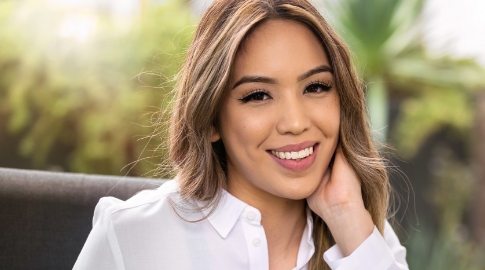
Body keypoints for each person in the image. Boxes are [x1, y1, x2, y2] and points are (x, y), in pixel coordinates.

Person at [73, 0, 408, 269]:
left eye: (315, 87)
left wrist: (346, 215)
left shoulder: (360, 232)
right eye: (258, 95)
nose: (295, 122)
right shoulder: (132, 237)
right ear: (211, 119)